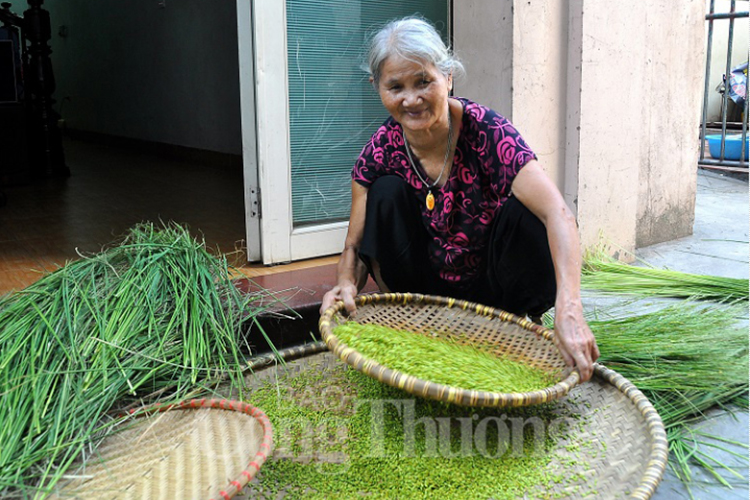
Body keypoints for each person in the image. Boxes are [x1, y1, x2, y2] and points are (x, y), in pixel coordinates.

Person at [319, 17, 599, 381]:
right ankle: (414, 323)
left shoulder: (488, 132)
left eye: (424, 82)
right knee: (385, 194)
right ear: (377, 88)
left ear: (448, 77)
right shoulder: (378, 152)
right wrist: (345, 284)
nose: (411, 99)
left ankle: (519, 319)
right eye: (395, 87)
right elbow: (355, 246)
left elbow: (559, 214)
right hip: (424, 298)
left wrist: (570, 307)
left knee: (526, 213)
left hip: (494, 289)